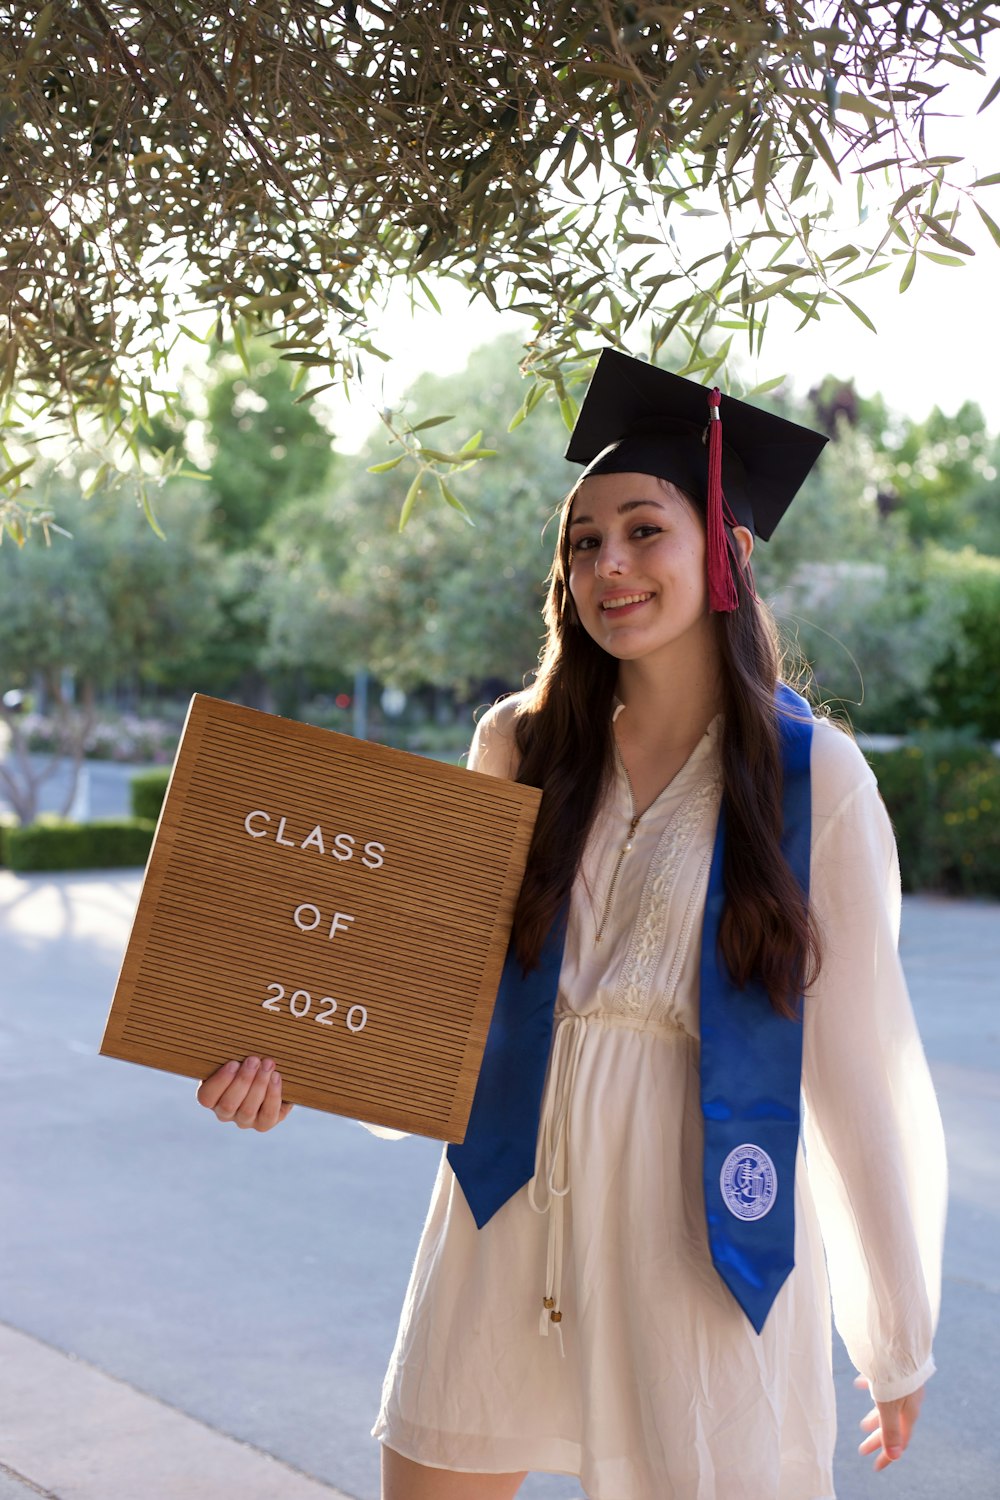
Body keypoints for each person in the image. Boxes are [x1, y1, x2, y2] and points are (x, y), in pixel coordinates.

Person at [197, 349, 946, 1500]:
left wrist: (892, 1325)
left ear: (727, 554)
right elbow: (430, 984)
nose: (610, 564)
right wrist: (293, 1058)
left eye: (644, 529)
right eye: (583, 541)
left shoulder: (813, 780)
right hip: (506, 1198)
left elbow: (860, 1066)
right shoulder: (521, 743)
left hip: (693, 1221)